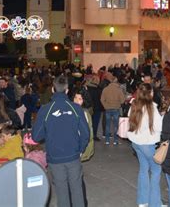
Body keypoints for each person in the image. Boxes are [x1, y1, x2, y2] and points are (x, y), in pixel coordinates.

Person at [32, 75, 90, 207]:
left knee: (62, 191)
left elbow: (36, 136)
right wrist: (80, 149)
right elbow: (86, 133)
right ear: (67, 90)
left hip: (55, 157)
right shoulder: (76, 109)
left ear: (53, 89)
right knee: (77, 190)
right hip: (73, 156)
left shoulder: (45, 109)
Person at [127, 83, 163, 207]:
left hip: (136, 143)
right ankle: (155, 203)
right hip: (147, 144)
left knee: (143, 170)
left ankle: (142, 201)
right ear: (149, 94)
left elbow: (130, 121)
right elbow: (159, 127)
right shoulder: (151, 108)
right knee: (156, 171)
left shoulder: (134, 105)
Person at [101, 77, 125, 145]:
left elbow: (102, 99)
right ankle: (115, 140)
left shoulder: (105, 89)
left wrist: (105, 106)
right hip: (116, 109)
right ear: (116, 81)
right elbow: (123, 100)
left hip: (107, 109)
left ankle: (107, 140)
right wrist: (119, 103)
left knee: (107, 125)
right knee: (115, 125)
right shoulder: (119, 90)